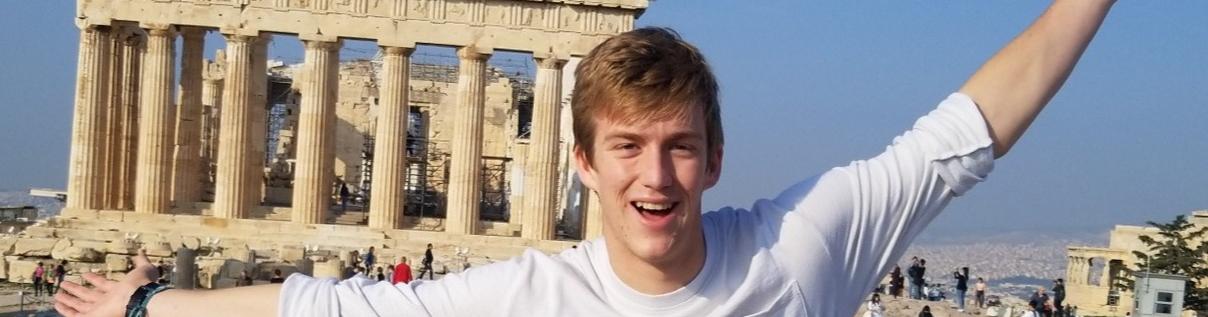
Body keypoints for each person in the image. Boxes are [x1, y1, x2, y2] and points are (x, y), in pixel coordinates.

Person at [54, 2, 1121, 316]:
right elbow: (317, 309)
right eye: (627, 148)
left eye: (676, 147)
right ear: (581, 161)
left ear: (711, 157)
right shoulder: (523, 293)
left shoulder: (805, 248)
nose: (652, 176)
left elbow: (967, 131)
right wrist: (146, 306)